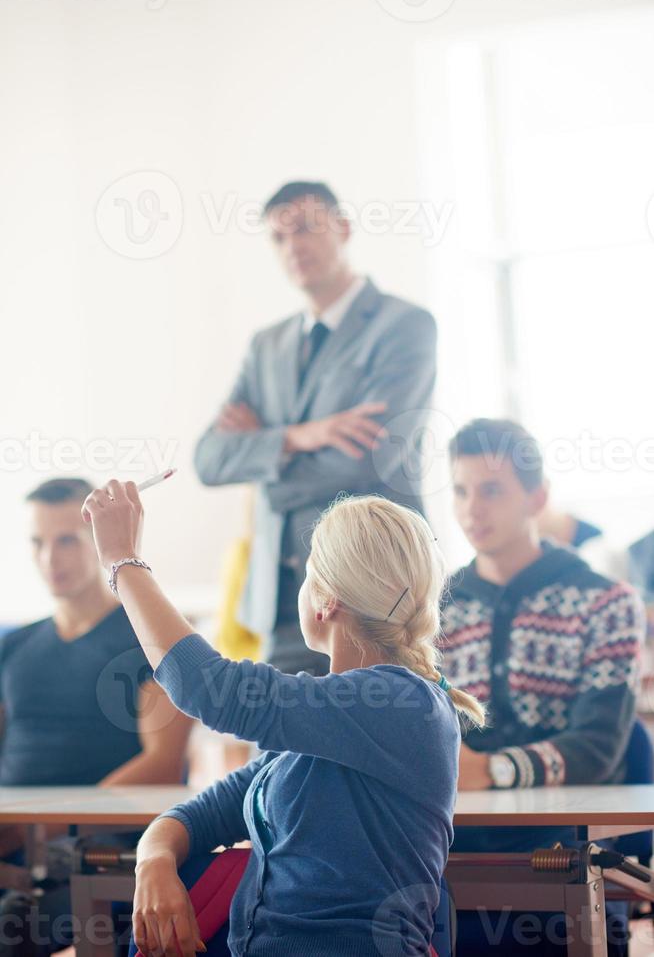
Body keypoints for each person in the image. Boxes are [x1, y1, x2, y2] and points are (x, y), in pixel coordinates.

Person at [80, 483, 484, 956]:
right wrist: (152, 860)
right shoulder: (326, 721)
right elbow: (203, 813)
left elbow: (208, 687)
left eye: (308, 573)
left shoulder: (400, 702)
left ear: (327, 600)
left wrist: (122, 561)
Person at [195, 180, 437, 676]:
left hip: (373, 594)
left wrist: (262, 457)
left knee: (375, 744)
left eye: (305, 228)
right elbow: (208, 458)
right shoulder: (267, 345)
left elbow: (370, 458)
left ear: (344, 228)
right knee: (281, 750)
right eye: (279, 238)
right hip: (283, 601)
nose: (293, 247)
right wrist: (296, 437)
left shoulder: (403, 326)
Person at [440, 419, 644, 955]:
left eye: (491, 490)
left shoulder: (608, 603)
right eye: (460, 490)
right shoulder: (432, 612)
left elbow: (598, 747)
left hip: (564, 858)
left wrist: (493, 770)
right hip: (449, 853)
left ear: (538, 498)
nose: (471, 510)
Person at [0, 478, 193, 955]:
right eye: (38, 543)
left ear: (96, 538)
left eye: (66, 539)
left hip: (100, 854)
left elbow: (163, 765)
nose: (50, 558)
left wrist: (43, 825)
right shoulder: (14, 646)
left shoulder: (148, 639)